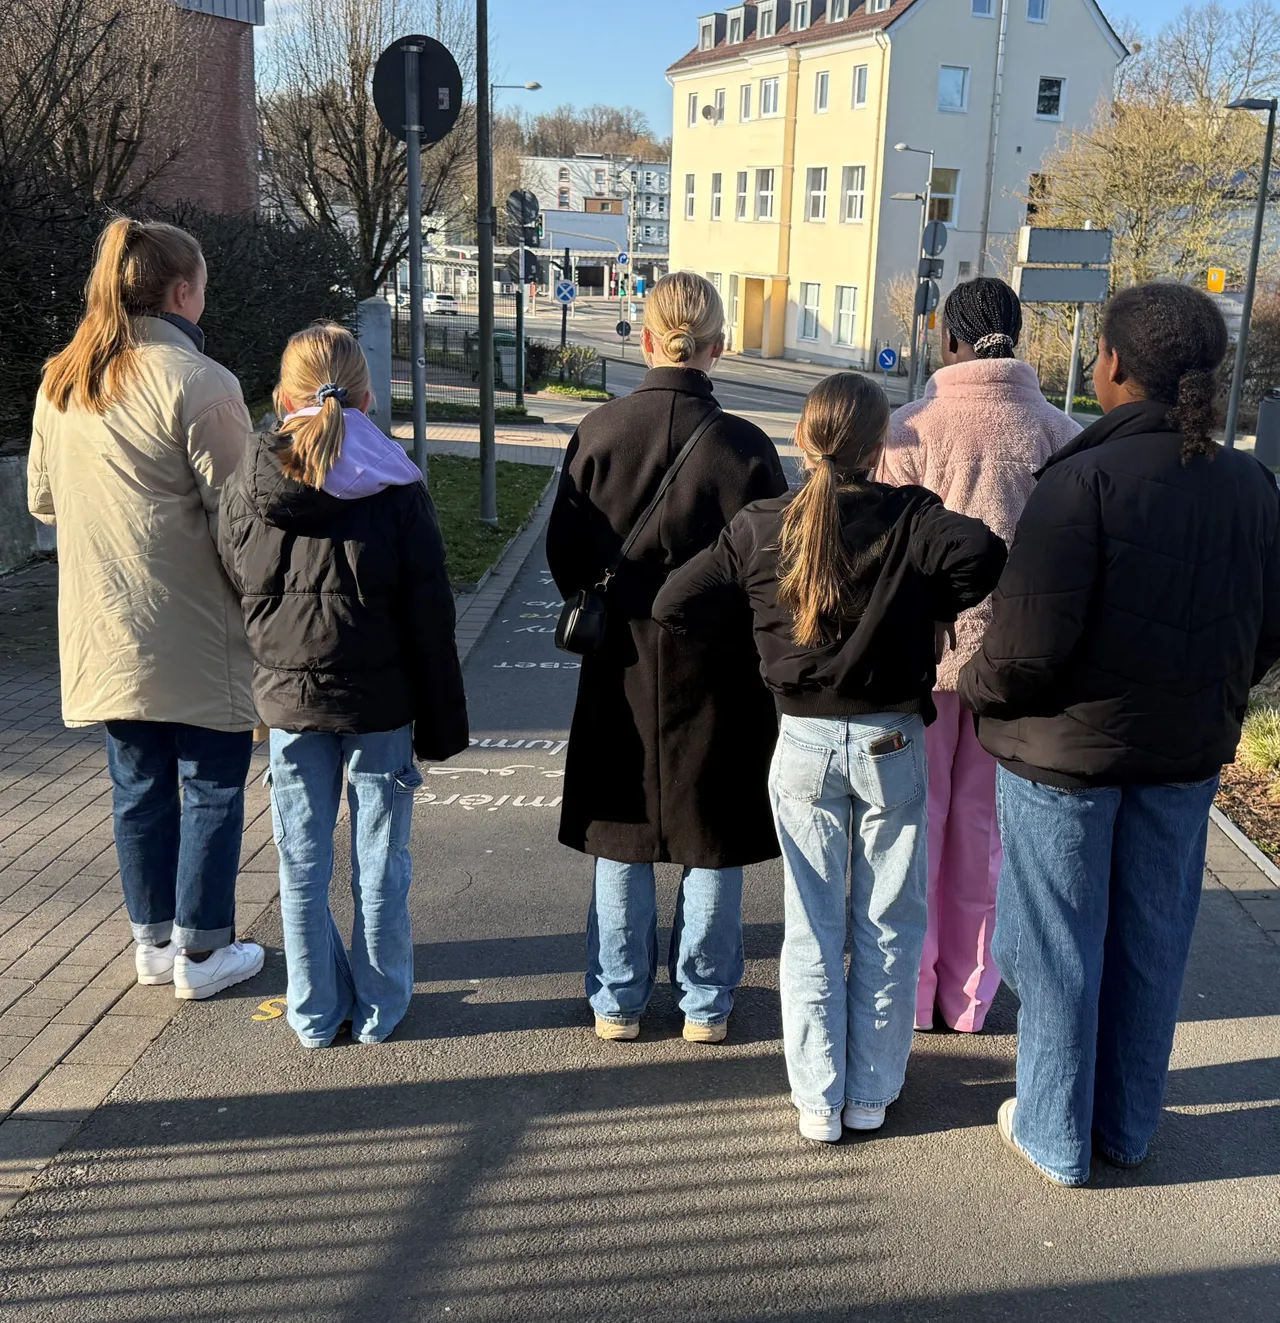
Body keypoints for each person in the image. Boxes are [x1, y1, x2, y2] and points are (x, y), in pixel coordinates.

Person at [958, 282, 1280, 1187]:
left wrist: (976, 687)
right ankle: (1127, 1127)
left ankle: (1056, 1133)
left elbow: (1024, 648)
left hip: (1065, 759)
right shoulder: (1254, 487)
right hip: (1182, 756)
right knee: (1151, 941)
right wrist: (1210, 688)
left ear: (1114, 366)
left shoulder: (1081, 482)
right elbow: (1270, 627)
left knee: (1053, 948)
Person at [655, 374, 1006, 1141]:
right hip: (890, 741)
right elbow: (985, 554)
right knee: (888, 921)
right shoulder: (913, 516)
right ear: (883, 445)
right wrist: (933, 611)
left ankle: (818, 1099)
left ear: (802, 438)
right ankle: (872, 1091)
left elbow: (673, 600)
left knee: (811, 927)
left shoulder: (761, 524)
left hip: (804, 742)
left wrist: (762, 637)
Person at [546, 272, 788, 1044]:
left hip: (619, 656)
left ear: (646, 338)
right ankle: (706, 1004)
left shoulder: (599, 431)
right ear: (717, 347)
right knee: (709, 833)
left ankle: (618, 1000)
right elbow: (774, 565)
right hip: (717, 664)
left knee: (623, 829)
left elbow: (563, 553)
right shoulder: (746, 447)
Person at [27, 216, 264, 1000]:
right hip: (195, 622)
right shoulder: (200, 381)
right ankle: (203, 953)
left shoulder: (64, 379)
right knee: (213, 784)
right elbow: (241, 520)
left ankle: (153, 942)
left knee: (137, 786)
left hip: (103, 623)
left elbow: (42, 500)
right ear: (182, 291)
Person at [218, 324, 467, 1049]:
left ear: (281, 397)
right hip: (381, 703)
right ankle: (382, 1005)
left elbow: (239, 575)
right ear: (367, 396)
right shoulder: (397, 480)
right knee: (380, 858)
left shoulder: (249, 480)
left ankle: (314, 1011)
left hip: (290, 700)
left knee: (301, 858)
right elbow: (430, 610)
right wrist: (442, 716)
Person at [880, 278, 1079, 1034]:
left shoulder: (906, 429)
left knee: (915, 823)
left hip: (919, 659)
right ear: (1018, 339)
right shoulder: (1061, 433)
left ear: (947, 341)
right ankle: (969, 996)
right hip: (1017, 667)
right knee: (985, 834)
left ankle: (915, 986)